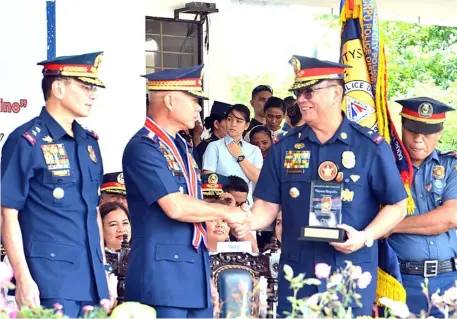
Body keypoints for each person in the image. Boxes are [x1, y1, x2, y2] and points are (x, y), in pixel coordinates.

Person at [234, 55, 408, 317]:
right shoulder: (285, 147)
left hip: (350, 277)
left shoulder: (369, 146)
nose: (301, 100)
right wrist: (242, 220)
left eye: (308, 92)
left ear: (336, 93)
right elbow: (267, 207)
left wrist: (365, 237)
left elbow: (397, 205)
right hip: (299, 278)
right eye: (298, 92)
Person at [121, 65, 250, 318]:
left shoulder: (181, 145)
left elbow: (190, 203)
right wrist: (226, 212)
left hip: (192, 273)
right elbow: (176, 206)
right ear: (169, 100)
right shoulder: (144, 147)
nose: (198, 107)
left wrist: (204, 281)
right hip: (162, 278)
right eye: (192, 99)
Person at [1, 52, 112, 317]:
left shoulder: (89, 143)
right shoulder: (27, 141)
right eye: (85, 87)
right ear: (58, 87)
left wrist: (105, 272)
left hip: (92, 282)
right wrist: (23, 277)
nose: (92, 94)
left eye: (94, 88)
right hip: (49, 280)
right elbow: (8, 213)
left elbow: (94, 211)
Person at [387, 97, 457, 317]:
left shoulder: (451, 166)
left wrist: (390, 225)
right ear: (401, 126)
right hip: (400, 279)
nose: (418, 140)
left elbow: (450, 217)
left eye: (426, 134)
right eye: (412, 131)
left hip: (449, 282)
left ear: (439, 132)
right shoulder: (385, 166)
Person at [202, 104, 263, 207]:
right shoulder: (214, 146)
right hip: (221, 204)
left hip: (245, 206)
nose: (233, 124)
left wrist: (239, 156)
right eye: (229, 119)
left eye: (239, 121)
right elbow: (209, 180)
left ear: (247, 125)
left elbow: (258, 178)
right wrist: (224, 199)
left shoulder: (254, 150)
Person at [194, 101, 231, 169]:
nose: (233, 125)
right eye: (229, 121)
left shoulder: (233, 146)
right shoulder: (204, 147)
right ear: (216, 124)